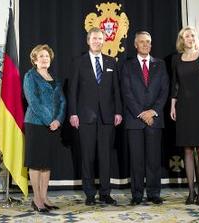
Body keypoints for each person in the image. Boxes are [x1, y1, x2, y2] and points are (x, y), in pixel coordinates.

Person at [68, 27, 123, 206]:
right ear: (88, 40)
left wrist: (118, 111)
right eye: (94, 38)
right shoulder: (78, 62)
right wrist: (73, 113)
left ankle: (105, 193)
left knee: (105, 157)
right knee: (87, 157)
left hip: (107, 117)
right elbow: (72, 90)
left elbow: (116, 89)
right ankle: (90, 194)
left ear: (103, 40)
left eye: (100, 38)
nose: (97, 41)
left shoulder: (111, 62)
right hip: (85, 117)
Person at [169, 26, 199, 205]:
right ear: (182, 39)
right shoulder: (176, 59)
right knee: (188, 149)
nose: (189, 38)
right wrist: (172, 105)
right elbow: (175, 84)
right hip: (182, 107)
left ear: (195, 39)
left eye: (192, 35)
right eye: (186, 36)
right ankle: (191, 192)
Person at [121, 31, 169, 205]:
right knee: (137, 160)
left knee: (153, 159)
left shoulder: (161, 64)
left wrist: (153, 111)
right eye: (142, 42)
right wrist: (141, 113)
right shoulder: (127, 65)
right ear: (135, 44)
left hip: (155, 119)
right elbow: (126, 92)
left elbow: (164, 91)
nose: (145, 45)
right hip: (135, 120)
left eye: (148, 42)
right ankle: (137, 195)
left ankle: (154, 193)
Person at [23, 44, 66, 212]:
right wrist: (50, 120)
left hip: (53, 125)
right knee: (36, 162)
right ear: (34, 59)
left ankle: (45, 197)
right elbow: (33, 102)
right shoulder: (30, 76)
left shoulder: (53, 77)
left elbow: (62, 101)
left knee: (46, 163)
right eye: (41, 56)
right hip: (35, 123)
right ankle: (37, 199)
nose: (44, 59)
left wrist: (58, 120)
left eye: (47, 56)